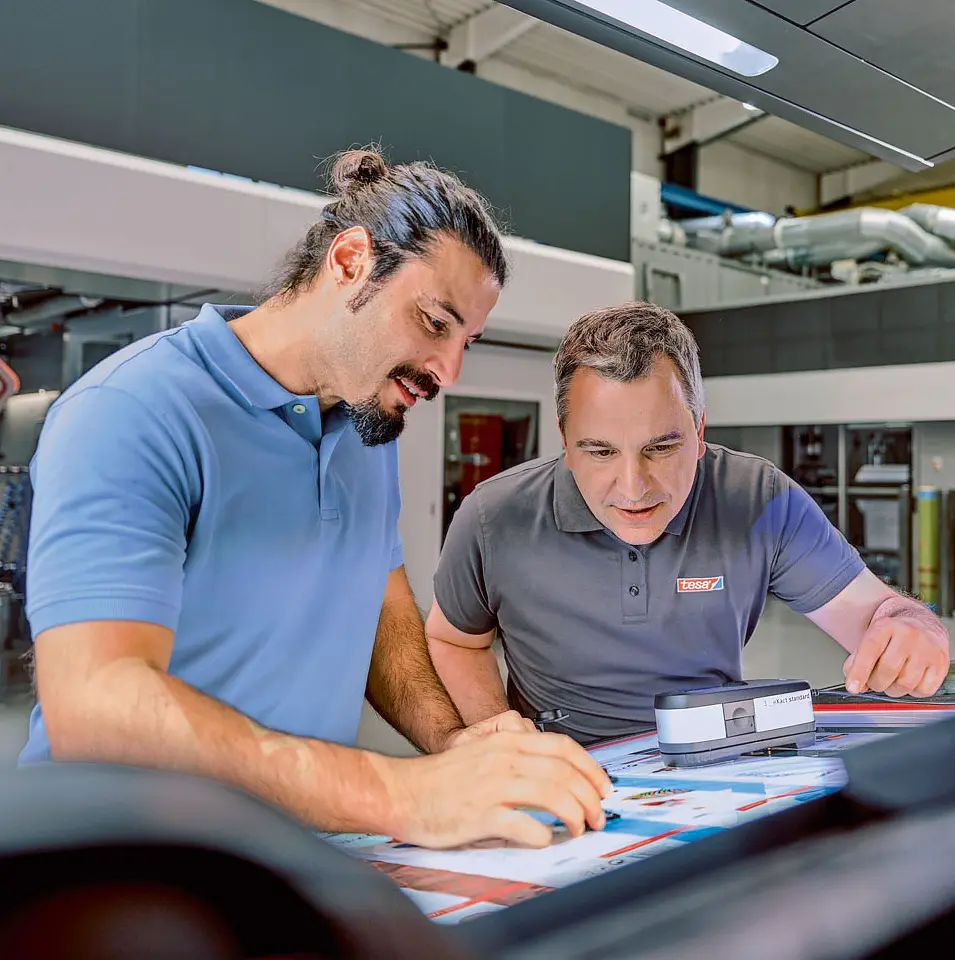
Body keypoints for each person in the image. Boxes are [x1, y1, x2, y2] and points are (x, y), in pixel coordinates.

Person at [18, 148, 611, 849]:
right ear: (350, 260)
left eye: (467, 342)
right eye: (432, 321)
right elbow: (96, 705)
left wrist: (455, 744)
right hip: (119, 867)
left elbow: (380, 601)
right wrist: (397, 792)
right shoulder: (132, 411)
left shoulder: (368, 429)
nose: (448, 370)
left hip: (290, 853)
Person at [426, 302, 951, 743]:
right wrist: (496, 737)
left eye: (661, 447)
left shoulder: (759, 500)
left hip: (715, 762)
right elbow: (455, 640)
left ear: (699, 430)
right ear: (565, 441)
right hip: (560, 773)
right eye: (600, 451)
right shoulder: (494, 517)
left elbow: (880, 612)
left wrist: (913, 627)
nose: (633, 487)